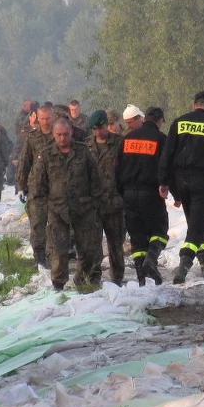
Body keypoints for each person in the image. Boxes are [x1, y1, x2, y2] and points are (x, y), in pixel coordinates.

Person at [159, 90, 204, 284]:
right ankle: (183, 267)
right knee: (197, 226)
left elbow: (167, 154)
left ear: (193, 105)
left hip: (180, 181)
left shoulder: (178, 123)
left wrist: (164, 181)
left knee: (195, 223)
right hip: (202, 181)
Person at [31, 118, 103, 291]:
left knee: (87, 249)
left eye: (65, 134)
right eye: (59, 135)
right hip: (57, 210)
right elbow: (38, 185)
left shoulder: (83, 152)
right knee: (58, 251)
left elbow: (95, 178)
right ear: (53, 134)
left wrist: (94, 203)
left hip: (83, 208)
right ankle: (58, 284)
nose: (62, 138)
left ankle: (83, 280)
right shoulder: (46, 155)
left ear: (71, 133)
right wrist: (42, 209)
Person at [116, 105, 169, 285]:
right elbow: (167, 167)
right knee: (159, 231)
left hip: (129, 194)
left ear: (144, 119)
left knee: (137, 239)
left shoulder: (127, 139)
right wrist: (174, 192)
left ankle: (142, 280)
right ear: (159, 121)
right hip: (151, 194)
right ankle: (151, 260)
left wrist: (123, 193)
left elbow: (118, 169)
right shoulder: (161, 139)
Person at [86, 110, 126, 284]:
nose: (97, 132)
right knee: (93, 244)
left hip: (114, 202)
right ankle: (94, 276)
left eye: (100, 128)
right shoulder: (86, 146)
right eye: (94, 129)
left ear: (106, 125)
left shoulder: (119, 143)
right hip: (93, 204)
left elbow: (127, 169)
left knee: (116, 244)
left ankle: (117, 277)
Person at [16, 103, 57, 268]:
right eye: (42, 119)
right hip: (37, 188)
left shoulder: (59, 135)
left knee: (56, 225)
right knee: (37, 225)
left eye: (48, 118)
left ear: (52, 117)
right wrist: (21, 186)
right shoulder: (32, 138)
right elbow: (24, 162)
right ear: (37, 119)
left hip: (57, 188)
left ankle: (55, 257)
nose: (45, 122)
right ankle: (39, 259)